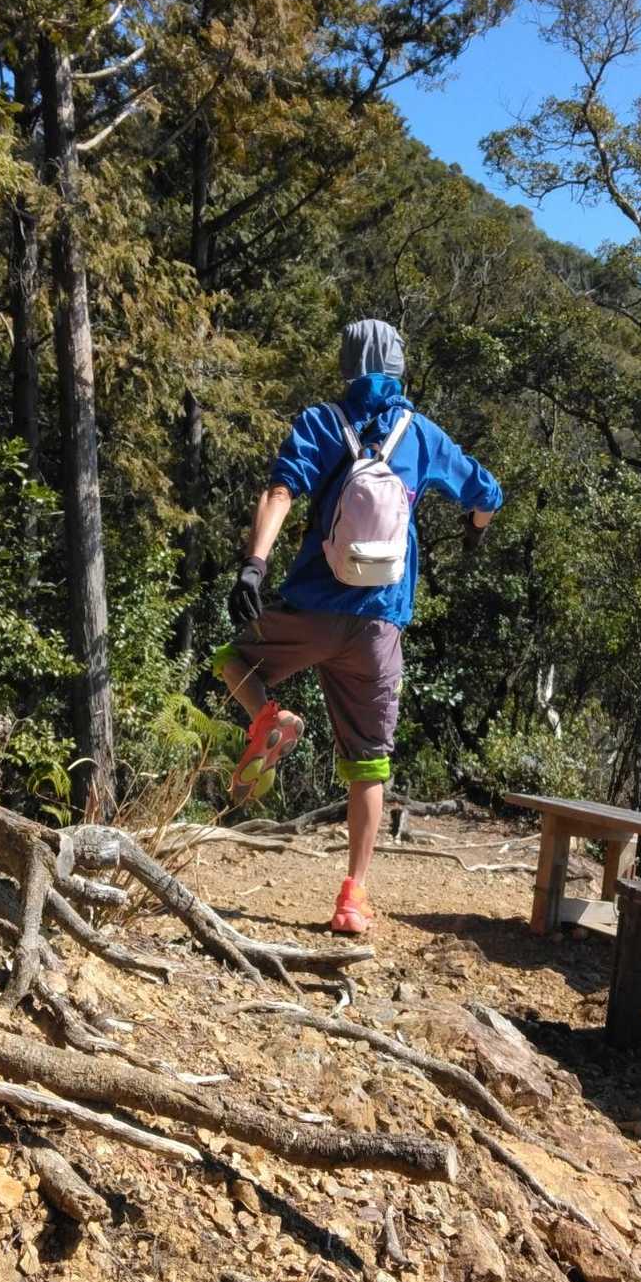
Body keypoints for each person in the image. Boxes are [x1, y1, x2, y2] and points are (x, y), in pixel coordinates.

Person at [213, 319, 502, 934]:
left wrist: (254, 566)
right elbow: (487, 493)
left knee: (231, 659)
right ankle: (352, 897)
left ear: (345, 365)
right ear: (399, 367)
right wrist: (474, 532)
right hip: (379, 624)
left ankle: (267, 717)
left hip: (312, 608)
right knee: (369, 764)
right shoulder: (420, 434)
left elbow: (281, 492)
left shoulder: (321, 422)